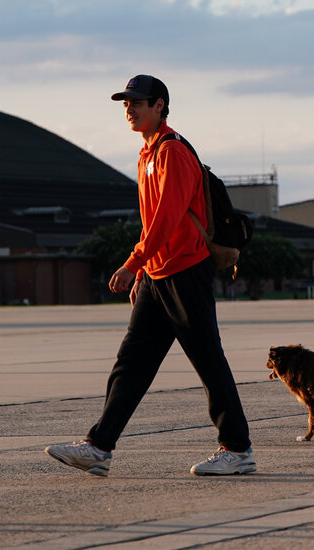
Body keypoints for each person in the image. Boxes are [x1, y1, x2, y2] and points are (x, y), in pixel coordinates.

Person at [44, 75, 255, 476]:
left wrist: (132, 263)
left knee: (208, 360)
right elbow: (151, 222)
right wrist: (144, 272)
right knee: (132, 363)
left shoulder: (173, 152)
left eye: (137, 102)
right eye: (126, 103)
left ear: (160, 105)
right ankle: (99, 447)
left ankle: (238, 449)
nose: (129, 109)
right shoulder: (148, 154)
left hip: (185, 271)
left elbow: (168, 218)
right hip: (158, 275)